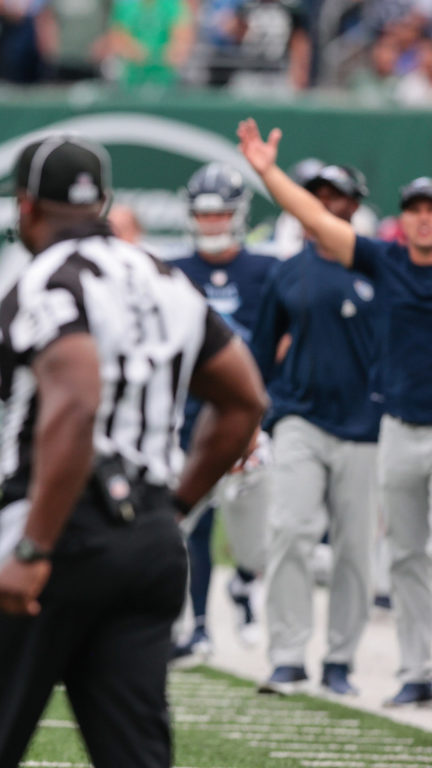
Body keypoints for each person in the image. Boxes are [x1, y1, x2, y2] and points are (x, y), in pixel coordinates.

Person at [0, 134, 266, 768]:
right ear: (102, 201)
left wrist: (35, 543)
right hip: (149, 544)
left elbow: (75, 403)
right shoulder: (165, 278)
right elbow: (244, 398)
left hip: (57, 530)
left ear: (26, 207)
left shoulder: (48, 277)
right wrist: (174, 508)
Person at [238, 117, 432, 707]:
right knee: (394, 553)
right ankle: (405, 670)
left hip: (374, 425)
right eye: (417, 208)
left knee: (371, 552)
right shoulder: (386, 261)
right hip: (391, 424)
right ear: (404, 216)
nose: (426, 217)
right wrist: (269, 173)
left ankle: (367, 661)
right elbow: (316, 221)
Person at [247, 162, 380, 697]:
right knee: (290, 531)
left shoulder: (380, 266)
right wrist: (253, 423)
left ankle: (341, 660)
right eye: (316, 195)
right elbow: (259, 354)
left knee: (354, 549)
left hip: (366, 426)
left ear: (355, 205)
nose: (325, 204)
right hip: (298, 415)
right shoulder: (287, 272)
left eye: (337, 195)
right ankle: (286, 655)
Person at [169, 162, 277, 660]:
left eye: (220, 215)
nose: (211, 224)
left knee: (255, 529)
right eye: (204, 215)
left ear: (237, 215)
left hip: (250, 418)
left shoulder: (265, 271)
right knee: (194, 521)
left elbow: (281, 342)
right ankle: (198, 625)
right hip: (190, 414)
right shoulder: (173, 272)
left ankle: (246, 583)